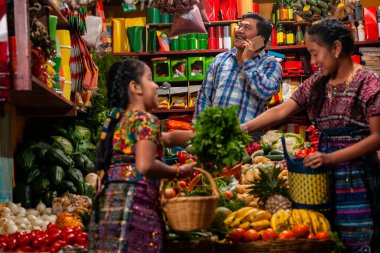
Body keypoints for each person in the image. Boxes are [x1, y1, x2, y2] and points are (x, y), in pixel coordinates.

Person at [241, 18, 380, 252]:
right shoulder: (317, 82)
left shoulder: (368, 82)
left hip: (357, 180)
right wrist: (243, 129)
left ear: (336, 48)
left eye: (315, 54)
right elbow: (282, 110)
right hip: (320, 178)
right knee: (322, 238)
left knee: (356, 241)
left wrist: (332, 158)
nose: (313, 62)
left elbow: (377, 138)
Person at [88, 59, 195, 253]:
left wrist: (200, 135)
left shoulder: (121, 121)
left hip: (109, 209)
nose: (156, 85)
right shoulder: (146, 119)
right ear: (135, 87)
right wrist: (178, 171)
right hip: (136, 209)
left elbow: (168, 138)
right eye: (150, 79)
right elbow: (145, 165)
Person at [193, 12, 282, 124]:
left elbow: (265, 93)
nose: (239, 30)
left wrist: (248, 62)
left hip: (249, 137)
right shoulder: (221, 59)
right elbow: (204, 96)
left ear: (260, 39)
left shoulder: (271, 64)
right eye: (240, 26)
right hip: (216, 135)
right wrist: (198, 126)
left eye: (247, 28)